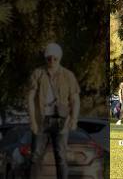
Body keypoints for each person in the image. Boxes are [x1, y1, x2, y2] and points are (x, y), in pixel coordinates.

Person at [28, 42, 80, 179]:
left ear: (59, 58)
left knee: (61, 158)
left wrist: (74, 119)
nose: (51, 61)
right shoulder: (38, 73)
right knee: (35, 157)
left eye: (55, 58)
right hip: (41, 120)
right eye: (49, 58)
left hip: (61, 121)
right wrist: (32, 120)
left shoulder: (68, 75)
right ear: (45, 58)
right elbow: (30, 98)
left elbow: (75, 99)